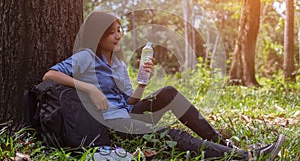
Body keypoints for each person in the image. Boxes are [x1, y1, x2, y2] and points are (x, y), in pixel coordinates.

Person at [43, 11, 285, 160]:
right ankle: (245, 157)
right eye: (111, 33)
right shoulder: (86, 56)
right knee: (172, 135)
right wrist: (89, 88)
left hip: (127, 114)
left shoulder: (117, 64)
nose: (118, 36)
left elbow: (129, 102)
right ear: (98, 36)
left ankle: (223, 144)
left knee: (168, 92)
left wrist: (142, 81)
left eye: (119, 30)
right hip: (113, 125)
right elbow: (49, 76)